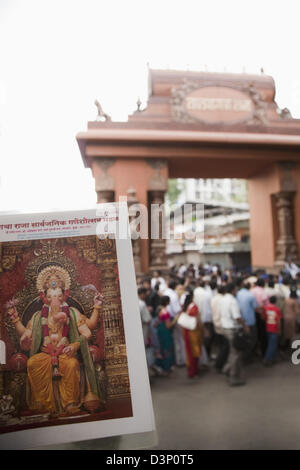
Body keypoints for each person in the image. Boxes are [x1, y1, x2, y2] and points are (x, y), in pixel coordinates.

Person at [7, 265, 103, 415]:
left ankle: (69, 403)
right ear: (44, 298)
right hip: (46, 354)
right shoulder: (39, 317)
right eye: (51, 297)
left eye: (58, 296)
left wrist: (75, 345)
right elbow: (25, 334)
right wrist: (16, 320)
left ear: (65, 296)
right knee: (33, 363)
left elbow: (87, 331)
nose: (55, 300)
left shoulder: (72, 313)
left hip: (65, 353)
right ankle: (41, 403)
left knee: (71, 365)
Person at [220, 283, 250, 386]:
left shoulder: (223, 299)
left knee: (233, 351)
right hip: (232, 328)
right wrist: (245, 325)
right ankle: (233, 375)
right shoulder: (232, 301)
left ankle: (227, 368)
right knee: (236, 353)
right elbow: (237, 316)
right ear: (233, 290)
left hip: (225, 327)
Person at [163, 280, 186, 366]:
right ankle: (180, 360)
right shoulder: (173, 295)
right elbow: (177, 310)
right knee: (179, 340)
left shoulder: (166, 292)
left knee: (174, 340)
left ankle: (177, 360)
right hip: (173, 319)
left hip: (168, 318)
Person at [181, 293, 203, 378]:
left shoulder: (185, 306)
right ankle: (194, 371)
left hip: (186, 331)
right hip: (194, 332)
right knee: (195, 352)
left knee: (189, 352)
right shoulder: (194, 307)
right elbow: (198, 319)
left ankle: (191, 370)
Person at [155, 296, 177, 375]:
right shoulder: (165, 312)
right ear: (167, 302)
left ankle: (161, 366)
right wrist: (175, 320)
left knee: (162, 348)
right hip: (165, 331)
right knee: (167, 349)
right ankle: (166, 368)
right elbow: (168, 325)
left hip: (160, 330)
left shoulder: (159, 309)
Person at [236, 281, 258, 362]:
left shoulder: (237, 294)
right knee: (250, 340)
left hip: (240, 321)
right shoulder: (250, 295)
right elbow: (255, 307)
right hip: (249, 321)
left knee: (242, 339)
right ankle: (246, 358)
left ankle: (243, 357)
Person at [211, 285, 229, 372]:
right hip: (222, 325)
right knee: (225, 346)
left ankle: (220, 362)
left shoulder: (213, 298)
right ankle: (219, 364)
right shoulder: (224, 300)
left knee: (221, 345)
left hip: (216, 323)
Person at [262, 296, 282, 366]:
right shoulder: (277, 309)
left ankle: (273, 358)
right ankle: (267, 359)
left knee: (271, 343)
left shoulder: (265, 308)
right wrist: (279, 330)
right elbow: (279, 321)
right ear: (275, 301)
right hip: (274, 329)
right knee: (272, 345)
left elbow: (263, 317)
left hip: (268, 328)